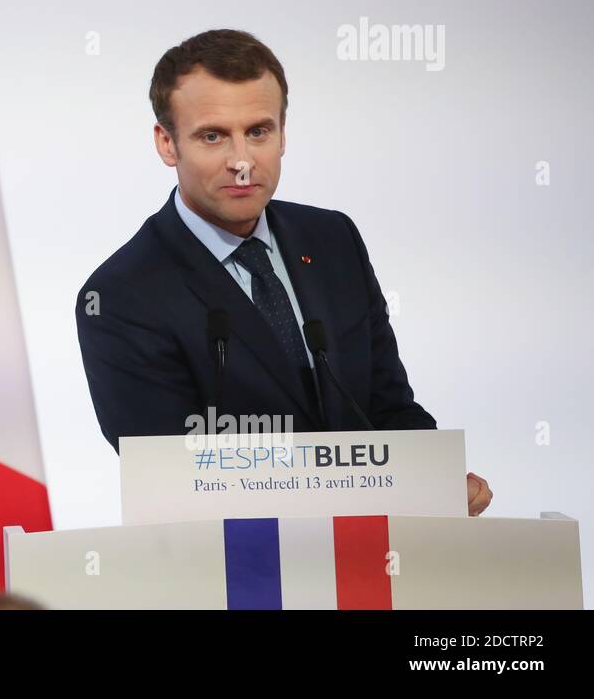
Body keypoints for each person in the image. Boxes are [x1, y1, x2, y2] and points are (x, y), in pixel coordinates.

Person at [75, 29, 492, 515]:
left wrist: (434, 479)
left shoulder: (334, 240)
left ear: (283, 134)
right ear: (167, 144)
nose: (242, 162)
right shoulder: (121, 296)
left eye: (258, 132)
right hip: (236, 575)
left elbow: (385, 406)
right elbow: (171, 482)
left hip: (372, 563)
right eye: (213, 136)